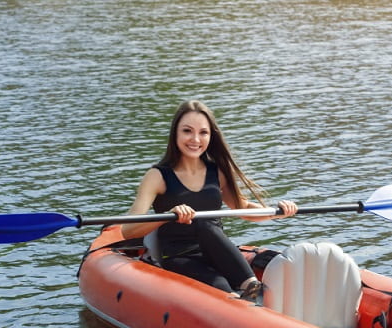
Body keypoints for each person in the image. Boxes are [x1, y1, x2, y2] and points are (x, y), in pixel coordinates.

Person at [120, 100, 298, 299]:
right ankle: (243, 292)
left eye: (203, 133)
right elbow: (128, 230)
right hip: (179, 256)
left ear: (211, 136)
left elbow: (243, 208)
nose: (195, 139)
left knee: (207, 226)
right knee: (223, 288)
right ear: (175, 134)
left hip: (216, 252)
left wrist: (276, 212)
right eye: (187, 131)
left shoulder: (218, 172)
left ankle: (251, 285)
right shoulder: (157, 176)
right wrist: (167, 216)